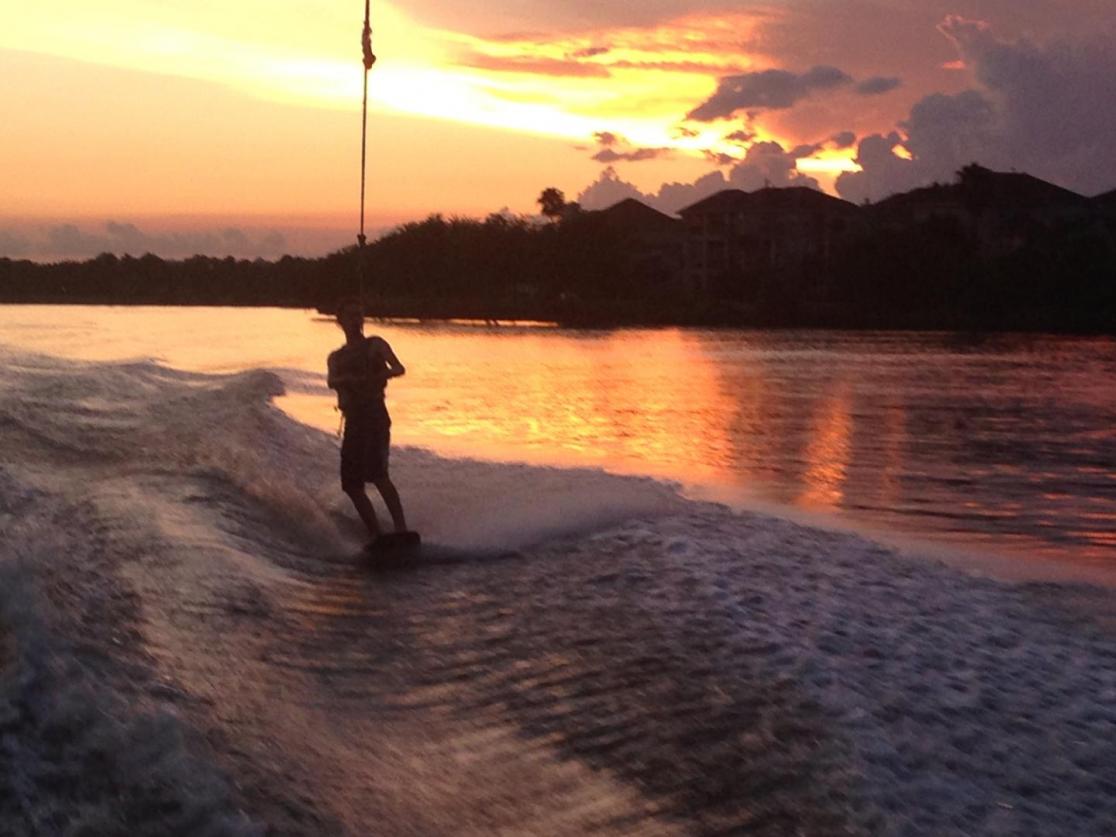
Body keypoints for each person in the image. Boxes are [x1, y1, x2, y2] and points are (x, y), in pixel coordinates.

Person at [327, 297, 409, 547]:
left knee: (378, 474)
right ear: (340, 321)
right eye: (350, 315)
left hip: (374, 415)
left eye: (358, 315)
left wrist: (378, 375)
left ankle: (401, 530)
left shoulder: (375, 345)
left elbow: (399, 368)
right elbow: (332, 381)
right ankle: (376, 534)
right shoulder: (336, 357)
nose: (355, 320)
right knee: (351, 485)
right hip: (353, 420)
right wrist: (347, 382)